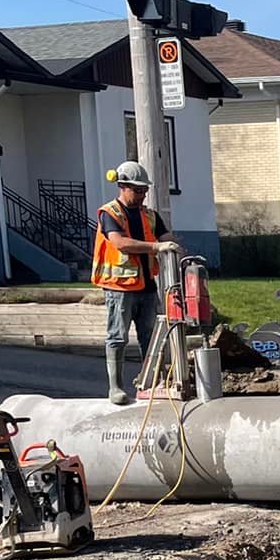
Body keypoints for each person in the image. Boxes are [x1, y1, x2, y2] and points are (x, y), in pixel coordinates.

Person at [91, 162, 177, 404]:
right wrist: (156, 247)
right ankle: (115, 387)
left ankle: (149, 382)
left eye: (144, 191)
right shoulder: (110, 213)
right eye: (137, 190)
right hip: (120, 287)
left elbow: (164, 236)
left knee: (149, 336)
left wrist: (174, 244)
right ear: (123, 186)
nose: (142, 195)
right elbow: (119, 243)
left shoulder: (149, 215)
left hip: (147, 285)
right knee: (117, 336)